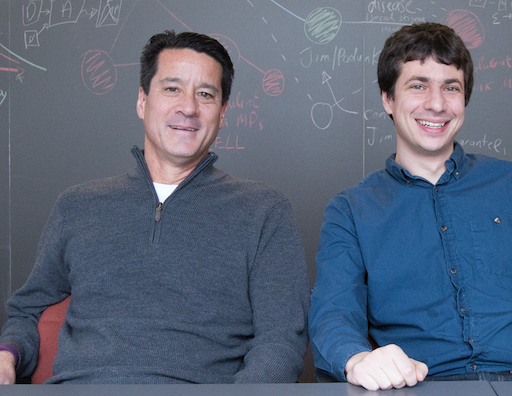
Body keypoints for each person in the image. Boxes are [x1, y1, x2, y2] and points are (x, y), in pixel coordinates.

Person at [0, 30, 310, 384]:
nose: (189, 107)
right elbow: (27, 311)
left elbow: (282, 341)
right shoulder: (78, 206)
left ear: (223, 113)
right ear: (142, 101)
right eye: (172, 89)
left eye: (205, 94)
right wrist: (7, 355)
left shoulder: (264, 212)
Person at [308, 22, 512, 391]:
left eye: (451, 87)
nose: (436, 103)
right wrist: (357, 359)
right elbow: (333, 312)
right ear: (387, 99)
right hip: (424, 386)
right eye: (418, 85)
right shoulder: (350, 210)